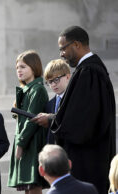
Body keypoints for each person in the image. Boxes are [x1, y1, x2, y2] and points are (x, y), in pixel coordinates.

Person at [32, 25, 116, 194]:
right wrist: (55, 117)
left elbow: (82, 122)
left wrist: (51, 120)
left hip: (88, 160)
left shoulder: (89, 72)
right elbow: (78, 113)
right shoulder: (89, 70)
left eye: (63, 48)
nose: (61, 54)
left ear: (76, 44)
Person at [7, 50, 49, 194]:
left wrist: (20, 143)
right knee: (27, 186)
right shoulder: (26, 90)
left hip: (33, 143)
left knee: (33, 185)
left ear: (34, 67)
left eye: (23, 66)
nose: (19, 70)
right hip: (27, 142)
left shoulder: (37, 89)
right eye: (17, 67)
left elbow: (32, 120)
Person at [43, 59, 70, 144]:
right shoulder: (49, 104)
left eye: (56, 79)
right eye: (50, 82)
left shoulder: (73, 100)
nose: (53, 84)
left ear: (68, 77)